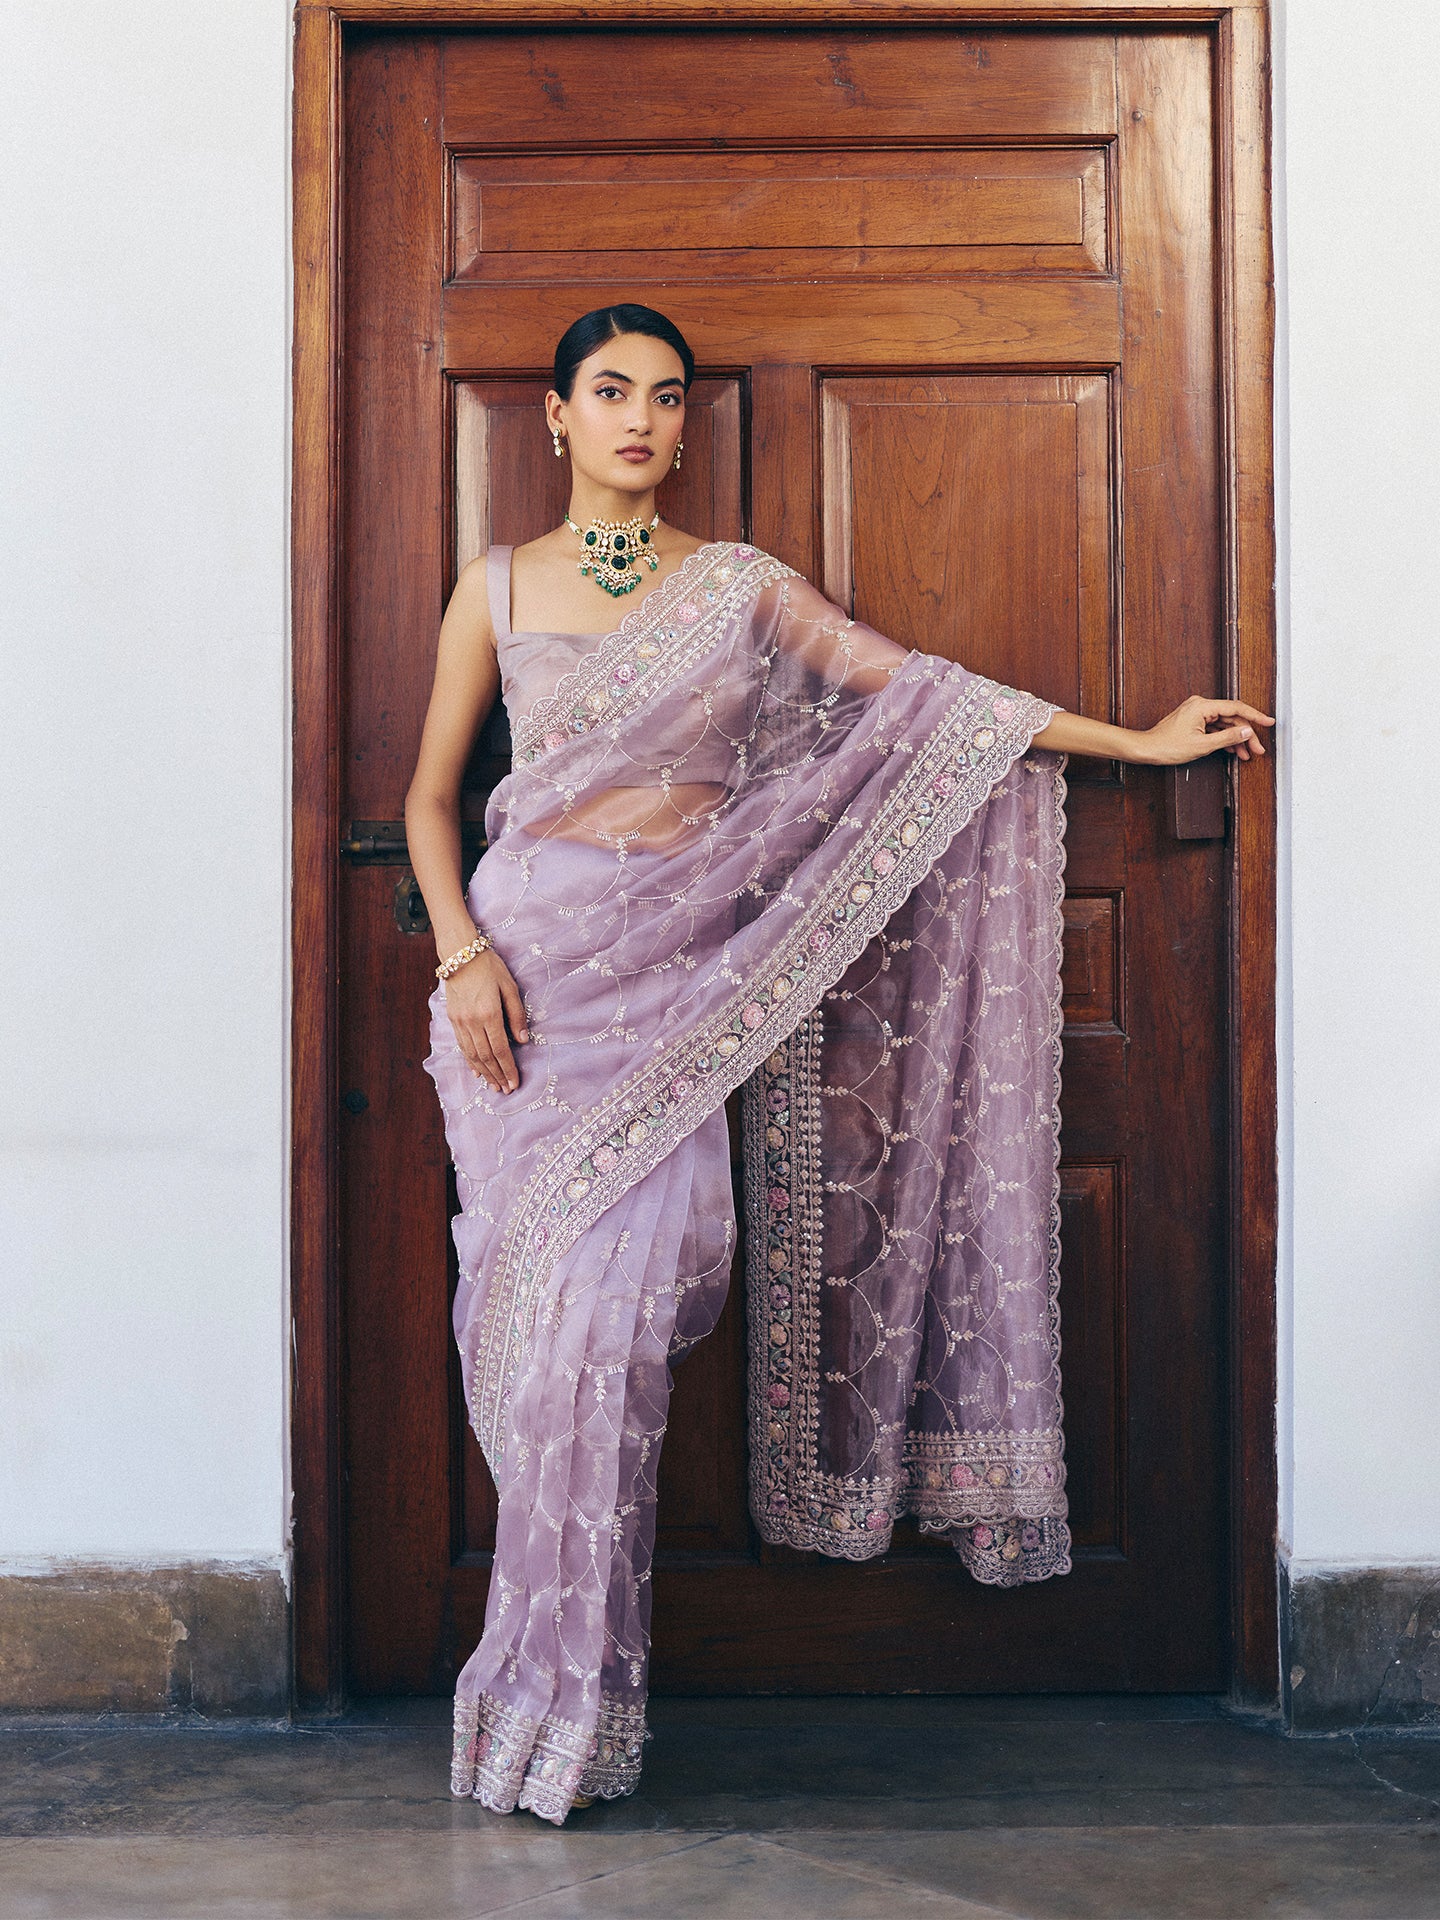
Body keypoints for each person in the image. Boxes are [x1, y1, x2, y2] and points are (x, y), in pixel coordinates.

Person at [404, 303, 1273, 1825]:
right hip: (528, 997)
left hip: (679, 1002)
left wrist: (1135, 745)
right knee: (541, 1348)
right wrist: (459, 956)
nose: (640, 421)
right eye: (610, 393)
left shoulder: (738, 592)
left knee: (613, 1342)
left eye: (665, 399)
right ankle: (527, 1702)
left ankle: (577, 1707)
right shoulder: (494, 588)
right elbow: (427, 802)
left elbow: (920, 700)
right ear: (551, 415)